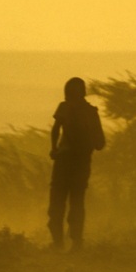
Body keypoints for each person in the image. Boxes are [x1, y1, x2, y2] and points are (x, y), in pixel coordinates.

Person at [47, 77, 106, 250]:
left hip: (64, 162)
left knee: (58, 203)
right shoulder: (91, 112)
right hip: (80, 163)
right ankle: (76, 243)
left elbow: (55, 129)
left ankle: (59, 243)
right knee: (77, 203)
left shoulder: (65, 107)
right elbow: (100, 143)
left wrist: (54, 149)